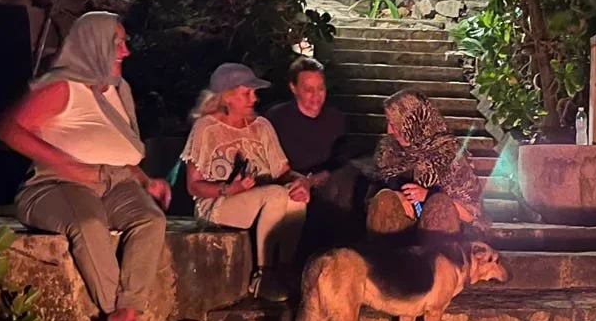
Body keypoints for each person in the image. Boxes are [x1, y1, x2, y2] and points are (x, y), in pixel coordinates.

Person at [0, 10, 171, 321]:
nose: (125, 51)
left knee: (151, 221)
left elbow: (119, 147)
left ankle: (128, 307)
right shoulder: (62, 87)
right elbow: (9, 128)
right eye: (117, 43)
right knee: (89, 225)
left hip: (115, 180)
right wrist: (65, 164)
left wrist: (145, 180)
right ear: (94, 45)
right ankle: (117, 319)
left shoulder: (120, 90)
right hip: (56, 182)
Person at [182, 63, 310, 292]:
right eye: (246, 93)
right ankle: (264, 274)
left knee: (295, 199)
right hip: (219, 204)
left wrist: (301, 182)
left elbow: (283, 171)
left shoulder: (262, 126)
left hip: (265, 198)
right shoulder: (206, 129)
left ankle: (285, 267)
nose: (253, 99)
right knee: (276, 194)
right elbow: (194, 186)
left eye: (254, 93)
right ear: (227, 97)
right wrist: (229, 189)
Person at [265, 59, 360, 242]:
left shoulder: (336, 118)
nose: (316, 96)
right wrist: (298, 180)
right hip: (288, 182)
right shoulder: (276, 118)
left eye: (321, 89)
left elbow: (340, 160)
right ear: (293, 88)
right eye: (309, 90)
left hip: (325, 183)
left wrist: (312, 181)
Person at [372, 91, 487, 231]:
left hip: (442, 235)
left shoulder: (449, 153)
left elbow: (470, 215)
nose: (389, 131)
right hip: (399, 232)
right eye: (389, 122)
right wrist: (396, 197)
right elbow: (372, 194)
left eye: (395, 124)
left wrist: (429, 196)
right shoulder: (388, 149)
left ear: (412, 123)